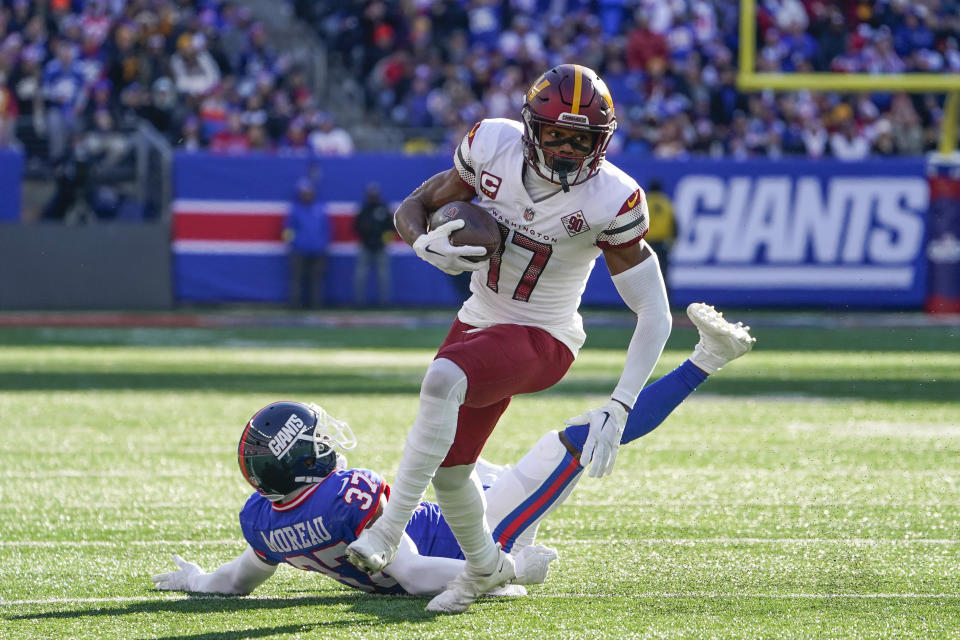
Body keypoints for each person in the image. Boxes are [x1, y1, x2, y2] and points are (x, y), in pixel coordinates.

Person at [347, 63, 674, 613]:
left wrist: (620, 404)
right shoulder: (490, 144)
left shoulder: (612, 197)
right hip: (480, 318)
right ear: (530, 128)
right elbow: (414, 207)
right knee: (452, 475)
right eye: (557, 134)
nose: (569, 150)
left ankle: (387, 530)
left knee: (441, 379)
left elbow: (655, 314)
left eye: (583, 139)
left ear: (603, 141)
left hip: (545, 336)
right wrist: (425, 244)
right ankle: (486, 567)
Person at [151, 304, 755, 599]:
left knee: (471, 456)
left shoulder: (263, 519)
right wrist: (504, 569)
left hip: (453, 511)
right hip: (472, 535)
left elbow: (236, 582)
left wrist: (196, 582)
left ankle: (706, 359)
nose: (328, 442)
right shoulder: (342, 497)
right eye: (317, 440)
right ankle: (708, 359)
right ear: (301, 460)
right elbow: (413, 573)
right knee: (578, 438)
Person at [286, 177, 330, 309]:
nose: (306, 194)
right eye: (304, 192)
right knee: (296, 280)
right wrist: (294, 244)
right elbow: (288, 230)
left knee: (317, 280)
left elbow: (327, 229)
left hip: (318, 250)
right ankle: (295, 305)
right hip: (299, 250)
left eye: (309, 192)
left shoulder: (320, 208)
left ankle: (316, 305)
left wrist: (323, 244)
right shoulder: (295, 210)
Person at [353, 183, 395, 307]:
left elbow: (390, 228)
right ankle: (359, 302)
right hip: (365, 246)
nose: (372, 197)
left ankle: (385, 302)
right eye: (370, 195)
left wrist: (383, 241)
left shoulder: (383, 209)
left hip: (380, 247)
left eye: (374, 195)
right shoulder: (363, 209)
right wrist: (365, 235)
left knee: (384, 276)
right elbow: (355, 227)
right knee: (360, 276)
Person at [643, 180, 677, 296]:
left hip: (644, 243)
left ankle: (641, 307)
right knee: (662, 274)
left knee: (644, 275)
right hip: (661, 243)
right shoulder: (666, 202)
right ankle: (666, 305)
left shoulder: (645, 200)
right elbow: (675, 225)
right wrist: (672, 243)